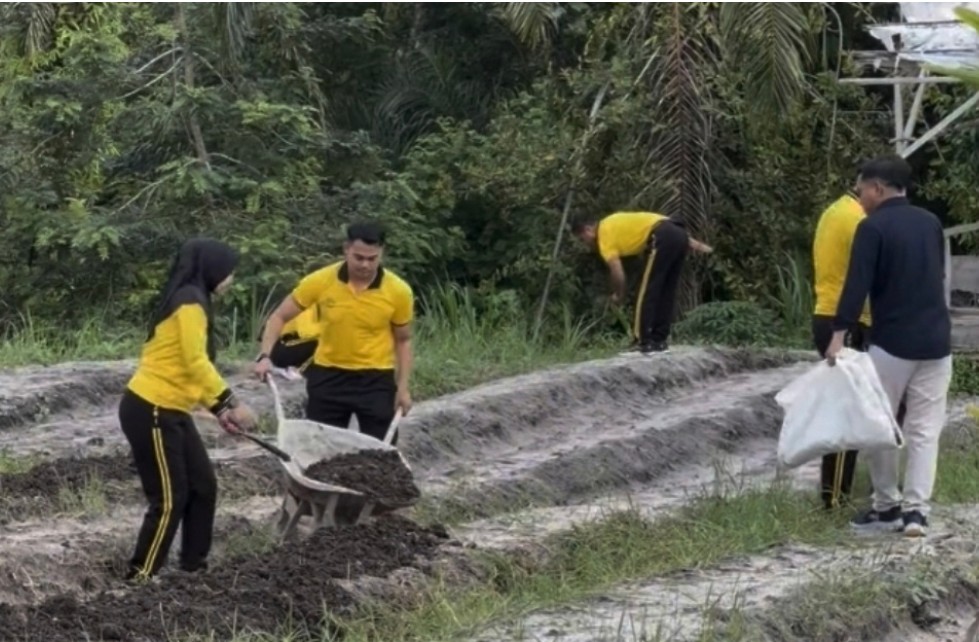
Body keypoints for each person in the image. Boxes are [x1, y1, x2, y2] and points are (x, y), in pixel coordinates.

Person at [827, 155, 952, 538]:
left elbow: (857, 284)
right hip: (937, 343)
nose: (860, 197)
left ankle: (887, 508)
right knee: (925, 432)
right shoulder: (930, 222)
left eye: (862, 190)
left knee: (879, 427)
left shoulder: (872, 227)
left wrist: (838, 335)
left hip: (892, 344)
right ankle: (917, 513)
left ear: (877, 188)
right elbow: (937, 275)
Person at [119, 238, 257, 580]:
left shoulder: (195, 299)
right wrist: (232, 403)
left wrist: (218, 410)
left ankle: (193, 569)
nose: (231, 279)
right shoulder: (190, 303)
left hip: (172, 409)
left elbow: (187, 369)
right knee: (169, 498)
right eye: (229, 272)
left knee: (203, 486)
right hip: (151, 407)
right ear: (213, 269)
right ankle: (140, 576)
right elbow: (195, 362)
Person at [255, 221, 414, 445]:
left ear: (382, 253)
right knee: (322, 449)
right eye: (359, 257)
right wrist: (265, 356)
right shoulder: (321, 281)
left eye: (372, 259)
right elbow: (279, 317)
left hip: (376, 379)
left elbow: (403, 340)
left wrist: (403, 388)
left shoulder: (398, 291)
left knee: (380, 452)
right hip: (328, 377)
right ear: (346, 249)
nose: (365, 265)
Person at [572, 210, 713, 355]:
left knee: (646, 291)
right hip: (678, 233)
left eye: (582, 239)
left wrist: (618, 294)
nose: (585, 244)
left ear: (588, 230)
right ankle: (659, 340)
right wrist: (695, 243)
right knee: (666, 290)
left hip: (661, 235)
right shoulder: (611, 222)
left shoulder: (603, 236)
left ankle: (642, 341)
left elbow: (617, 271)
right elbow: (661, 223)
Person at [811, 191, 872, 510]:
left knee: (852, 410)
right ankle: (834, 498)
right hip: (844, 320)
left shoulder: (837, 211)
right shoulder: (857, 219)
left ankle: (839, 493)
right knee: (846, 413)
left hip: (832, 315)